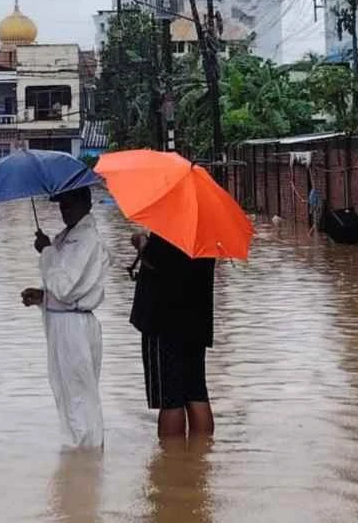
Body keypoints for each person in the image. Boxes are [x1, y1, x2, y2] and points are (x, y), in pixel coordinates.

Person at [21, 187, 108, 449]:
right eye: (61, 204)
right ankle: (79, 463)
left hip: (74, 326)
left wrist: (46, 251)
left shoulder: (86, 240)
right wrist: (42, 297)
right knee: (67, 394)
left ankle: (86, 463)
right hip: (64, 321)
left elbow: (65, 287)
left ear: (86, 203)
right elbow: (62, 289)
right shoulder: (68, 237)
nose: (64, 209)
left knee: (79, 398)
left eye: (70, 203)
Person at [129, 232, 216, 438]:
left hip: (163, 320)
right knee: (196, 391)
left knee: (170, 399)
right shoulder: (206, 229)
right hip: (196, 318)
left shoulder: (170, 228)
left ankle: (171, 462)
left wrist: (142, 243)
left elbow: (159, 261)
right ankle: (200, 457)